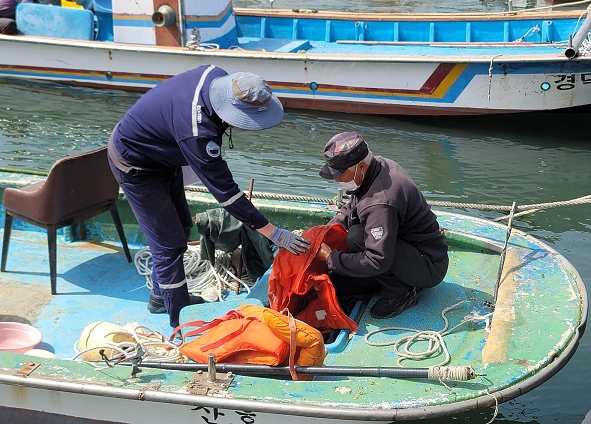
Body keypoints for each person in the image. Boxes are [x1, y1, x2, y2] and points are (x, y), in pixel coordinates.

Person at [108, 65, 310, 328]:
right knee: (167, 246)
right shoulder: (198, 134)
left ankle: (160, 296)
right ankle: (181, 322)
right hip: (136, 165)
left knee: (181, 226)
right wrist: (273, 232)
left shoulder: (215, 75)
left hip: (164, 154)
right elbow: (227, 195)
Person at [315, 131, 448, 319]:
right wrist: (323, 232)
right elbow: (351, 206)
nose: (337, 180)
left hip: (428, 265)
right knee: (340, 283)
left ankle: (400, 294)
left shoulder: (380, 202)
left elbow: (378, 260)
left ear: (360, 166)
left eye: (340, 174)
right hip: (407, 249)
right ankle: (391, 280)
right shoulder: (377, 166)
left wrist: (330, 259)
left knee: (357, 237)